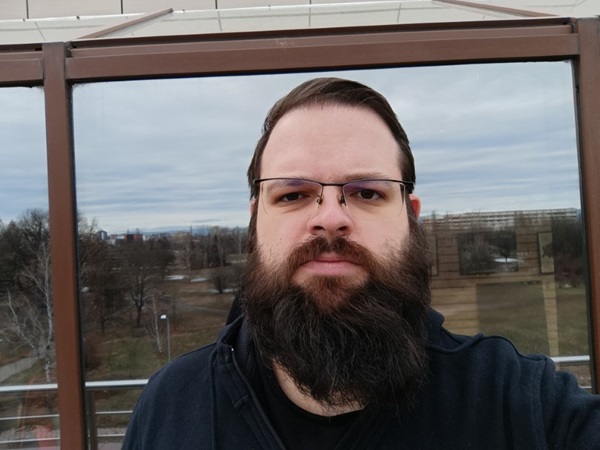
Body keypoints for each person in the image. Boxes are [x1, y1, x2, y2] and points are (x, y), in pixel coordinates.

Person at [121, 77, 600, 449]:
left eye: (367, 192)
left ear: (411, 218)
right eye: (293, 194)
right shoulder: (171, 409)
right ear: (254, 223)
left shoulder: (519, 403)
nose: (330, 218)